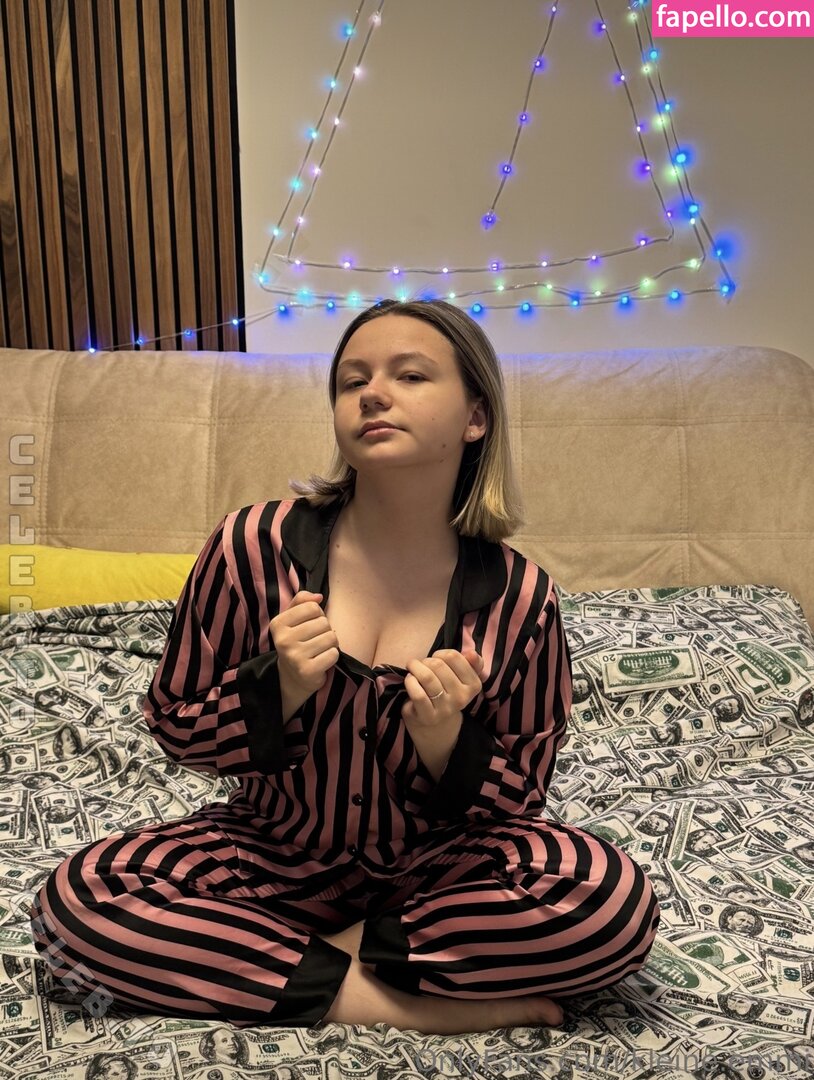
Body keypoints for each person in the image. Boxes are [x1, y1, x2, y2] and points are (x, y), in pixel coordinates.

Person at [28, 298, 660, 1034]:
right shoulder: (250, 547)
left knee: (611, 901)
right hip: (269, 853)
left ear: (476, 417)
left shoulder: (522, 599)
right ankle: (396, 1004)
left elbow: (519, 798)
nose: (373, 394)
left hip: (437, 878)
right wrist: (278, 688)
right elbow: (175, 724)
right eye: (352, 380)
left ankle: (289, 966)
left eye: (410, 375)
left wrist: (445, 743)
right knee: (76, 904)